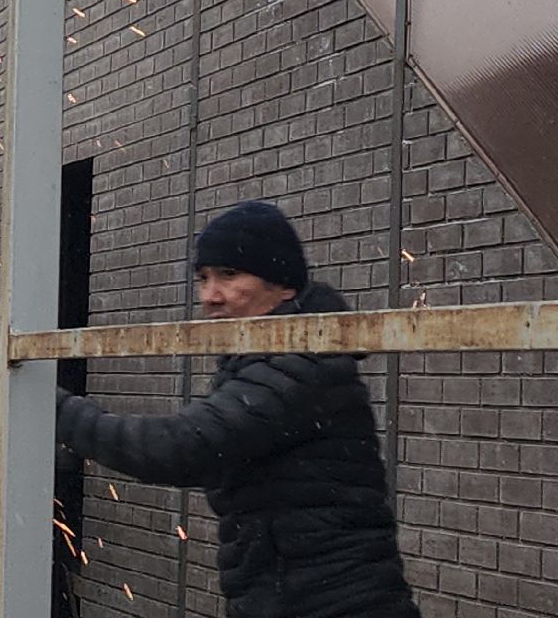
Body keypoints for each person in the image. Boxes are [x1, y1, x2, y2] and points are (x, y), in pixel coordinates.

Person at [55, 200, 421, 618]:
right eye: (203, 278)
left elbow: (177, 449)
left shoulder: (302, 364)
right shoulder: (266, 359)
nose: (210, 296)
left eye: (229, 275)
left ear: (283, 286)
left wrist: (55, 409)